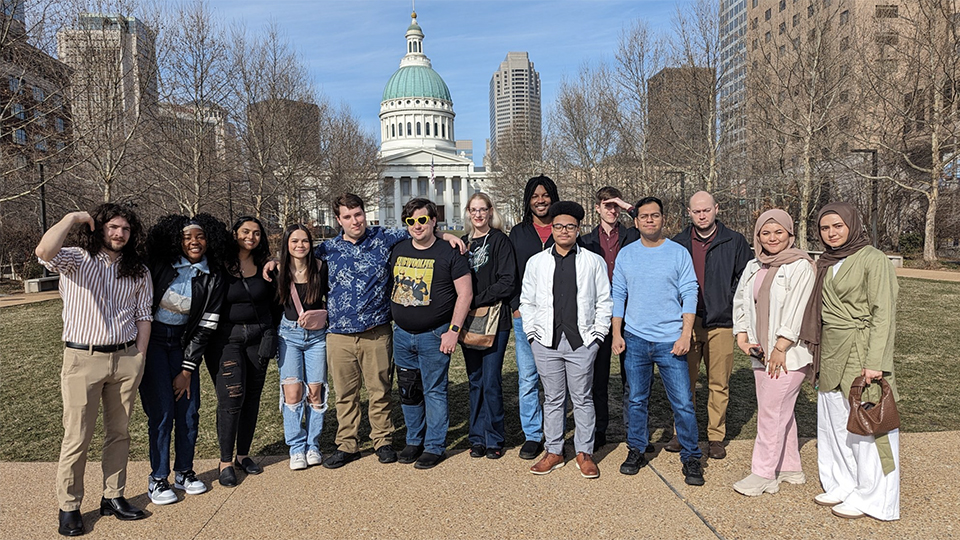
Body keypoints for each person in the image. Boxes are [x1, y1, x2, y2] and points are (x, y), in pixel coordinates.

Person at [270, 193, 463, 469]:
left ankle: (382, 441)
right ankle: (347, 444)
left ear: (364, 213)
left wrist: (445, 235)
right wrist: (272, 262)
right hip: (339, 334)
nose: (354, 221)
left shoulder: (383, 238)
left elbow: (419, 228)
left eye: (358, 214)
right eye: (347, 217)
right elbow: (296, 256)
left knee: (379, 390)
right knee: (345, 394)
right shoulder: (327, 250)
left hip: (377, 331)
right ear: (338, 220)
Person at [36, 204, 152, 536]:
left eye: (126, 229)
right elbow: (44, 251)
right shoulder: (74, 259)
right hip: (82, 360)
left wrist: (139, 357)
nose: (119, 234)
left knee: (120, 433)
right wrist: (71, 218)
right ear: (99, 228)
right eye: (113, 227)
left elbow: (144, 314)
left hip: (126, 358)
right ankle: (69, 505)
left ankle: (113, 496)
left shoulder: (137, 270)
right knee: (77, 436)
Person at [800, 202, 900, 521]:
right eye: (825, 228)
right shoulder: (827, 261)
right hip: (831, 350)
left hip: (861, 350)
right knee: (833, 424)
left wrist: (876, 362)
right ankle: (843, 482)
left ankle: (877, 498)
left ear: (852, 225)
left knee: (871, 426)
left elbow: (883, 313)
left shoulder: (873, 259)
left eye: (837, 226)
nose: (831, 233)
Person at [612, 197, 704, 486]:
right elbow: (618, 295)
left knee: (683, 404)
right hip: (636, 339)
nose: (649, 220)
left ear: (663, 218)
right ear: (636, 221)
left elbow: (690, 292)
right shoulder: (627, 255)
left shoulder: (678, 253)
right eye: (644, 217)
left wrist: (685, 333)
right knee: (636, 400)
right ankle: (636, 449)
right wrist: (617, 333)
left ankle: (691, 456)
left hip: (670, 341)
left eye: (655, 215)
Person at [141, 214, 227, 505]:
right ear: (177, 240)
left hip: (184, 345)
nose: (194, 242)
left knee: (189, 412)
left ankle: (184, 472)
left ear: (209, 240)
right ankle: (158, 478)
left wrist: (188, 369)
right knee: (162, 412)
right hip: (153, 342)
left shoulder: (213, 276)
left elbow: (206, 327)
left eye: (200, 236)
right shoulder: (160, 267)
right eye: (187, 237)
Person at [521, 201, 611, 479]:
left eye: (570, 226)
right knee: (553, 398)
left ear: (577, 229)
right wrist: (533, 335)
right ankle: (555, 451)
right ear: (552, 229)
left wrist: (596, 336)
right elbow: (527, 301)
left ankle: (584, 452)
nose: (563, 231)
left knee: (583, 398)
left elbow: (604, 302)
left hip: (581, 341)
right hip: (546, 342)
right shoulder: (537, 262)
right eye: (558, 226)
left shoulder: (593, 261)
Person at [731, 209, 815, 496]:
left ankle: (764, 473)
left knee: (770, 413)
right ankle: (791, 467)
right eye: (766, 233)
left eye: (778, 232)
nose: (772, 238)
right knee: (781, 412)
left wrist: (781, 345)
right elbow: (742, 299)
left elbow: (797, 309)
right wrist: (742, 334)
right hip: (761, 351)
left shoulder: (800, 265)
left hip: (787, 354)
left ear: (790, 234)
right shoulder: (755, 265)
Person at [390, 198, 473, 469]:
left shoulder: (449, 252)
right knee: (408, 390)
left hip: (434, 334)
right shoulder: (399, 249)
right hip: (402, 334)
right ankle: (414, 439)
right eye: (411, 221)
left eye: (422, 220)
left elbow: (465, 294)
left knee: (434, 391)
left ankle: (434, 445)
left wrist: (453, 331)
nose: (417, 226)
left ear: (434, 221)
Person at [671, 191, 751, 459]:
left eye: (706, 210)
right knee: (684, 383)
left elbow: (744, 280)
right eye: (696, 211)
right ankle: (682, 433)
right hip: (687, 324)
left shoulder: (734, 241)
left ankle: (715, 436)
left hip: (721, 324)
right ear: (689, 212)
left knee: (719, 383)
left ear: (716, 209)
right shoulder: (679, 243)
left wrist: (727, 303)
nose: (702, 215)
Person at [204, 216, 276, 487]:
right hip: (226, 340)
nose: (251, 237)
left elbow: (275, 300)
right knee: (231, 397)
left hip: (259, 339)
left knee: (252, 398)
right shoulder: (219, 264)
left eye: (257, 233)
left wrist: (277, 263)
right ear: (234, 233)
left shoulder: (264, 265)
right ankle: (225, 461)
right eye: (245, 231)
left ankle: (243, 455)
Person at [580, 186, 640, 448]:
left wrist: (627, 205)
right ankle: (600, 430)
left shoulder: (632, 235)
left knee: (633, 377)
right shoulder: (586, 241)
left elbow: (648, 219)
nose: (612, 210)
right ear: (597, 208)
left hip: (631, 311)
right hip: (599, 313)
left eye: (615, 205)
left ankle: (634, 430)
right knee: (599, 377)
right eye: (607, 205)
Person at [460, 193, 517, 459]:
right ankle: (477, 438)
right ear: (468, 212)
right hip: (468, 320)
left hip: (495, 318)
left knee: (492, 380)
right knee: (475, 380)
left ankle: (494, 437)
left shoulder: (499, 241)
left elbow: (507, 281)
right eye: (474, 210)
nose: (479, 215)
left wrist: (474, 299)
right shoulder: (461, 243)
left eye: (483, 210)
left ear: (490, 211)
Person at [507, 174, 559, 459]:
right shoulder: (518, 233)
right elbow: (511, 273)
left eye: (545, 195)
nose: (541, 201)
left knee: (555, 379)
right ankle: (532, 434)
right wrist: (516, 306)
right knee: (528, 378)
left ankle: (555, 432)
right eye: (535, 196)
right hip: (525, 315)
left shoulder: (563, 228)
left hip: (558, 317)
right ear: (528, 201)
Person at [275, 224, 330, 470]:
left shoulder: (320, 267)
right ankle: (296, 448)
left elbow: (332, 297)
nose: (300, 245)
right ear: (287, 244)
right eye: (294, 241)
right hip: (289, 336)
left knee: (316, 392)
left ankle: (313, 445)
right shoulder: (278, 271)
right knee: (293, 393)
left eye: (305, 241)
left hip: (317, 336)